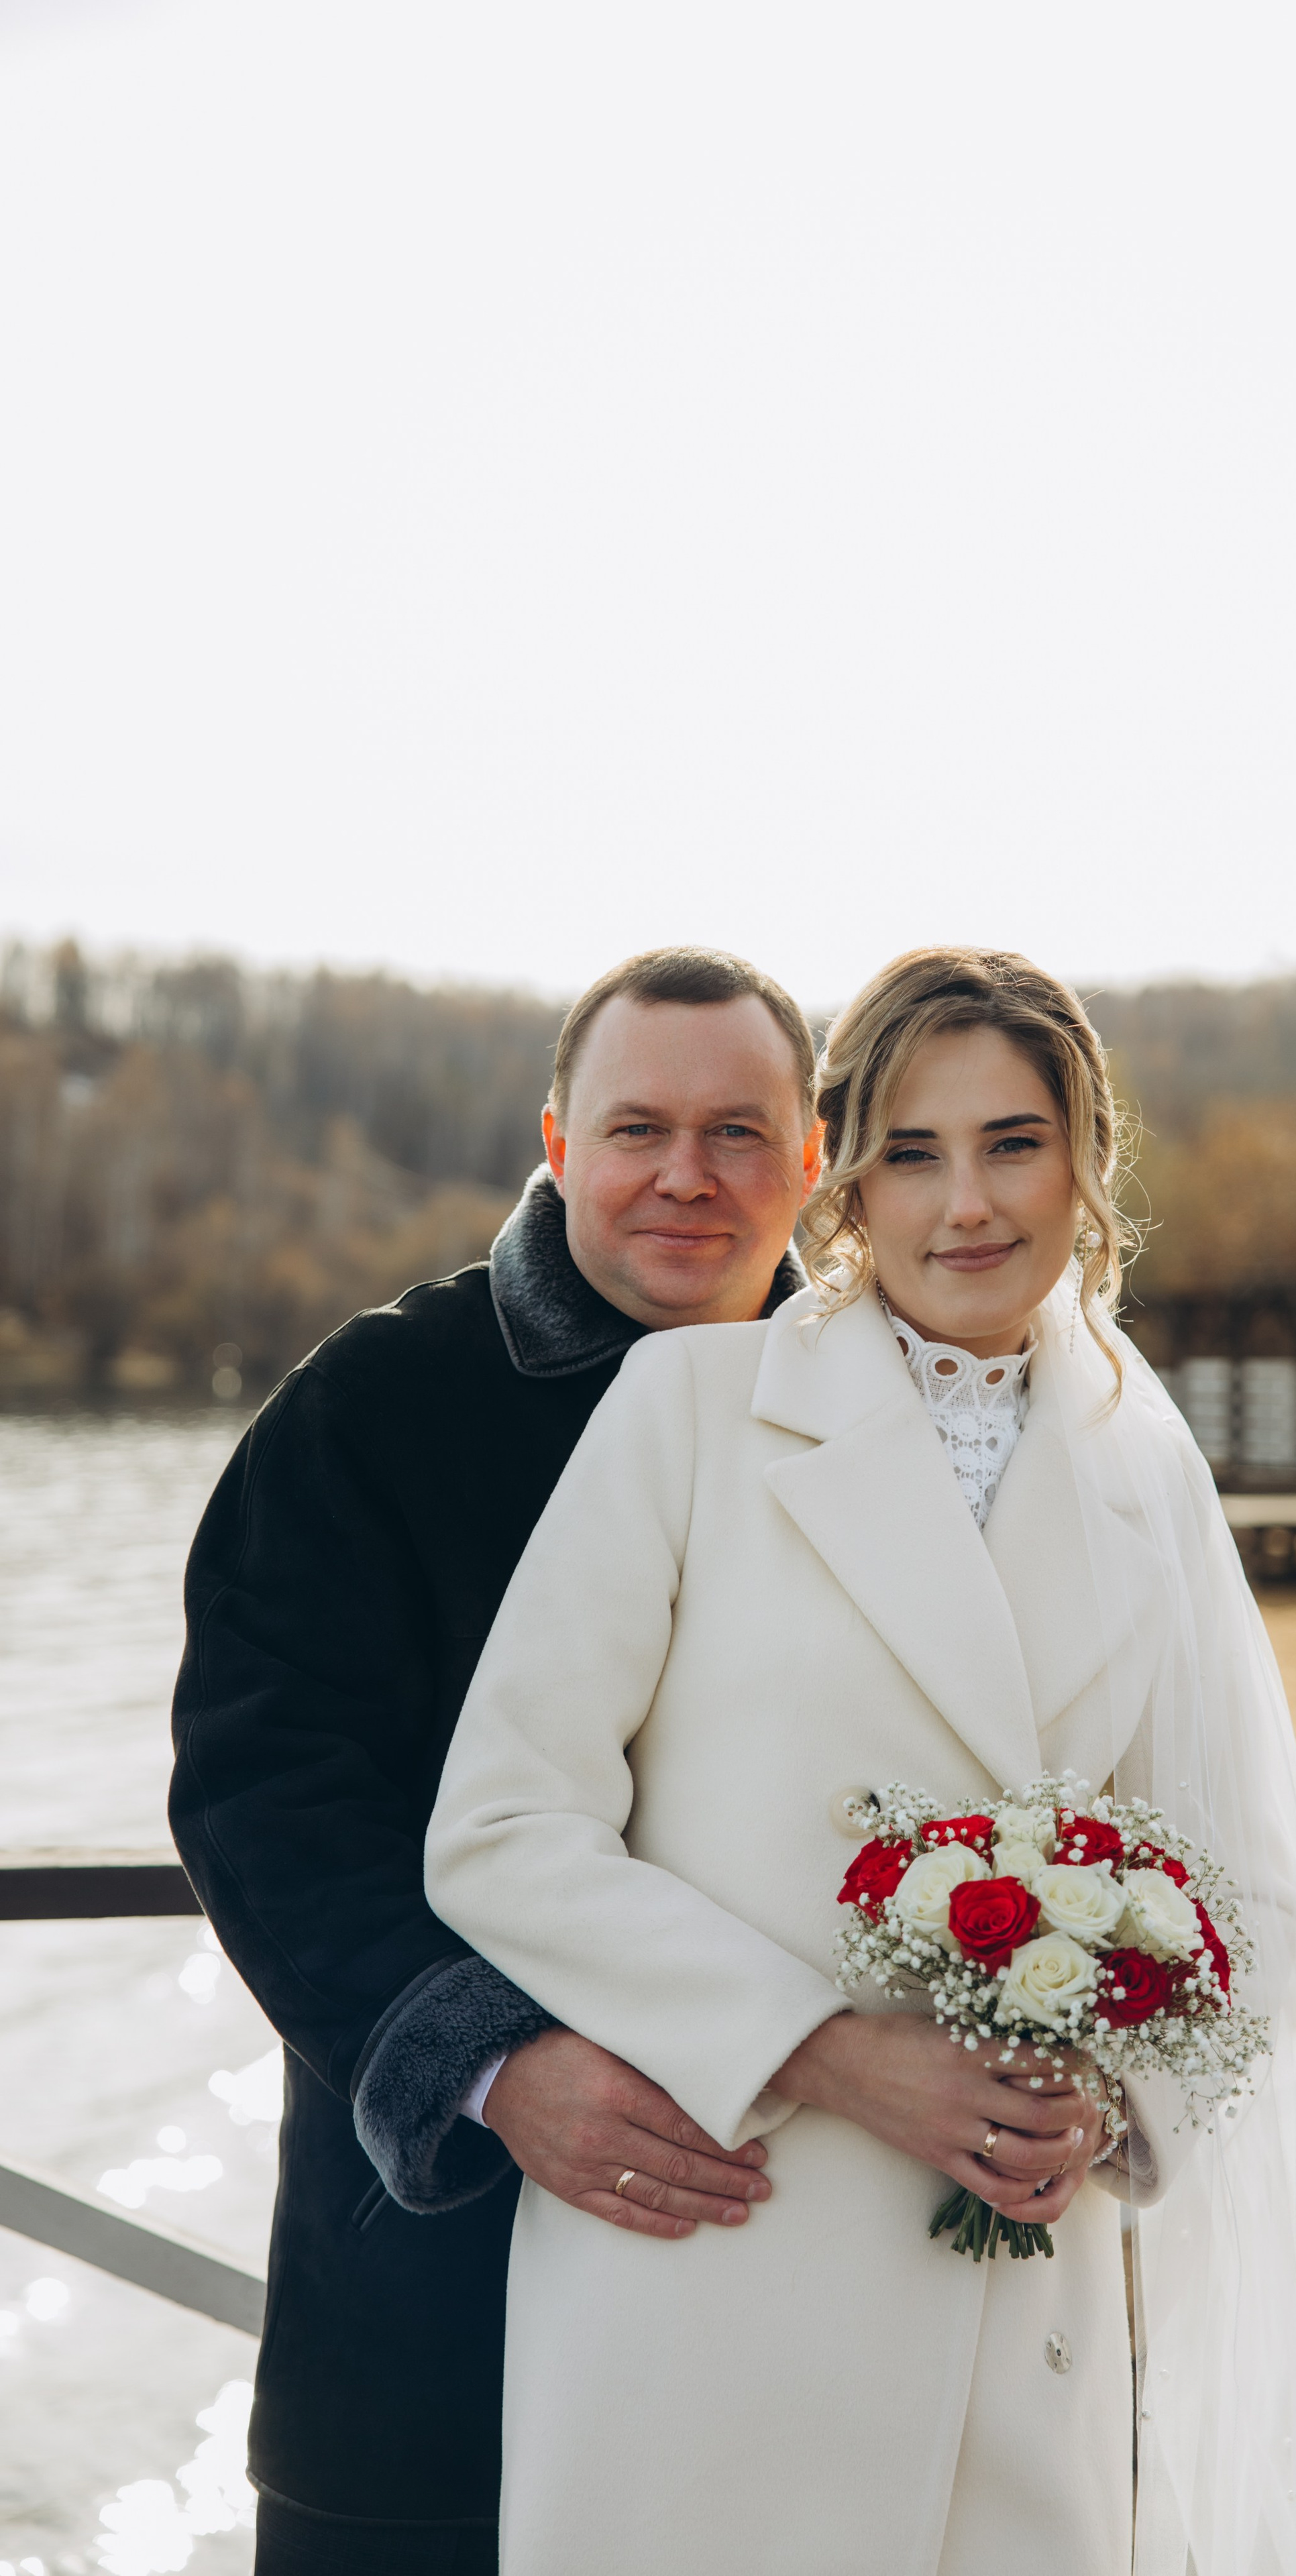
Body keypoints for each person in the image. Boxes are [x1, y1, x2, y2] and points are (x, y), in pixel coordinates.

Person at [426, 946, 1296, 2575]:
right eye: (912, 1151)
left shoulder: (1142, 1468)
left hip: (1019, 2310)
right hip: (711, 2279)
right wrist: (827, 2053)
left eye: (1012, 1143)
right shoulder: (689, 1405)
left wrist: (1112, 2108)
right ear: (844, 1184)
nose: (966, 1204)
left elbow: (1232, 1887)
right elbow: (505, 1828)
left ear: (1084, 1162)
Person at [169, 948, 823, 2575]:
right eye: (636, 1129)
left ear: (813, 1158)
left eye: (739, 1132)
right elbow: (263, 1795)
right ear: (554, 1141)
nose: (687, 1175)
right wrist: (490, 2068)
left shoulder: (882, 1419)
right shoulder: (373, 1408)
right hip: (438, 2296)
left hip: (807, 2289)